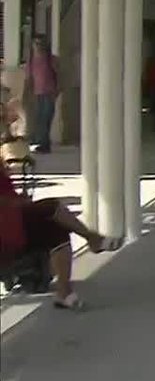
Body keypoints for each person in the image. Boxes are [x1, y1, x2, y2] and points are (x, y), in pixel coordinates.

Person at [0, 103, 122, 310]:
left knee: (58, 230)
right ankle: (93, 238)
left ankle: (64, 292)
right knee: (51, 208)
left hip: (14, 218)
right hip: (6, 224)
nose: (4, 124)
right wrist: (19, 203)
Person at [25, 37, 58, 154]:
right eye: (35, 44)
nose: (37, 46)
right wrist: (28, 93)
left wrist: (58, 90)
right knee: (39, 118)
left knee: (46, 118)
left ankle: (44, 143)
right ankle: (41, 142)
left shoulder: (50, 59)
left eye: (39, 43)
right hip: (37, 93)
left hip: (49, 92)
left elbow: (58, 74)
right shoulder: (31, 61)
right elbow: (29, 79)